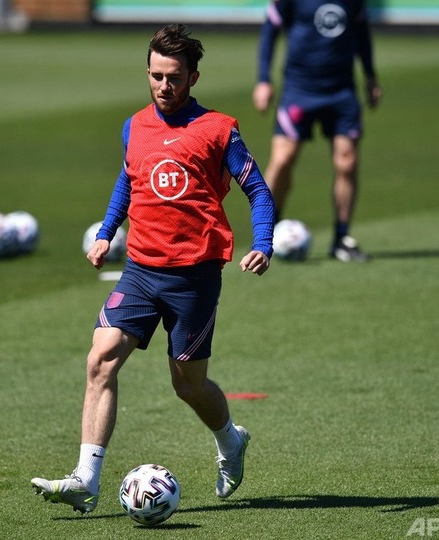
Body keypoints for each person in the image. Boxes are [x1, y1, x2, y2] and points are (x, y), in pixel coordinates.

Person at [31, 24, 275, 515]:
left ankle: (231, 439)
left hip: (194, 276)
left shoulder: (219, 129)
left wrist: (264, 244)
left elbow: (258, 190)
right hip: (140, 270)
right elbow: (128, 179)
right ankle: (86, 480)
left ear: (193, 77)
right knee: (100, 359)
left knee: (188, 385)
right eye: (156, 76)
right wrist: (106, 232)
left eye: (174, 77)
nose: (164, 86)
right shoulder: (135, 126)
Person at [253, 0, 382, 262]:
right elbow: (270, 30)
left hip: (341, 92)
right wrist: (264, 79)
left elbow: (362, 33)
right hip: (299, 90)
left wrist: (370, 76)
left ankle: (341, 239)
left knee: (347, 161)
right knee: (282, 159)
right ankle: (265, 235)